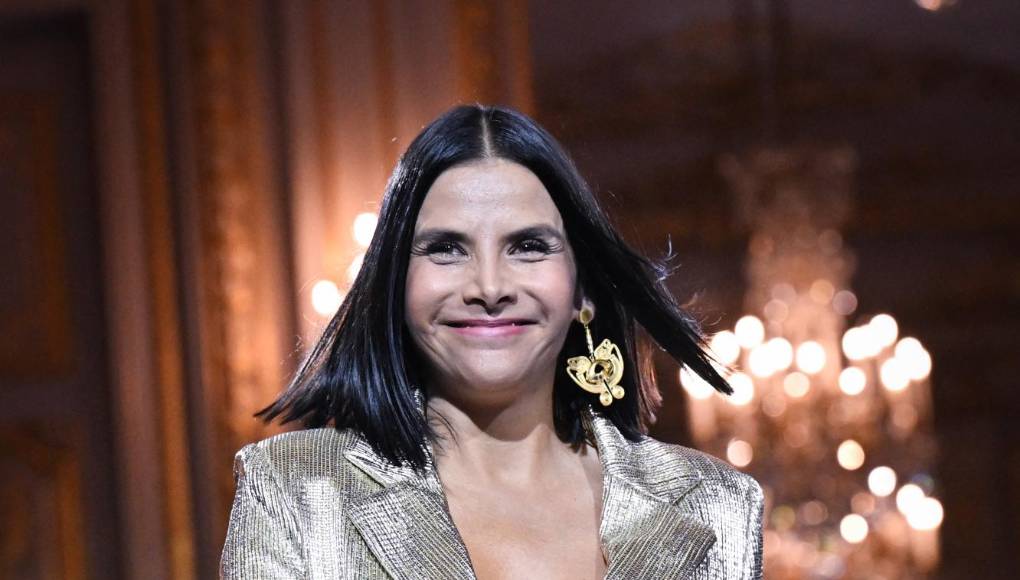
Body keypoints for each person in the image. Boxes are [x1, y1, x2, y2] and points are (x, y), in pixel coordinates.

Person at [220, 103, 764, 579]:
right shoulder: (296, 489)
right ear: (396, 285)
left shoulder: (715, 505)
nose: (489, 286)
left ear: (583, 290)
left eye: (528, 246)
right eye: (446, 249)